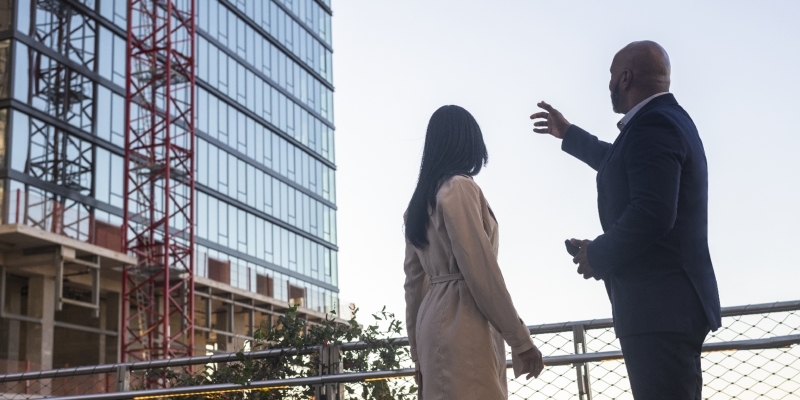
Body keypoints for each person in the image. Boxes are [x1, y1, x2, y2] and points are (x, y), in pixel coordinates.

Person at [530, 41, 721, 399]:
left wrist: (597, 255)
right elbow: (620, 163)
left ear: (625, 78)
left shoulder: (654, 126)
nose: (607, 85)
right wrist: (568, 134)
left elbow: (652, 213)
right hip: (668, 307)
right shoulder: (663, 121)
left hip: (659, 308)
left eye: (610, 76)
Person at [404, 105, 544, 399]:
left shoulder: (419, 203)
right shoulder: (459, 188)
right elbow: (481, 270)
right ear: (468, 142)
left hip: (431, 323)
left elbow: (414, 286)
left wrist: (418, 354)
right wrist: (520, 340)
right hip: (463, 318)